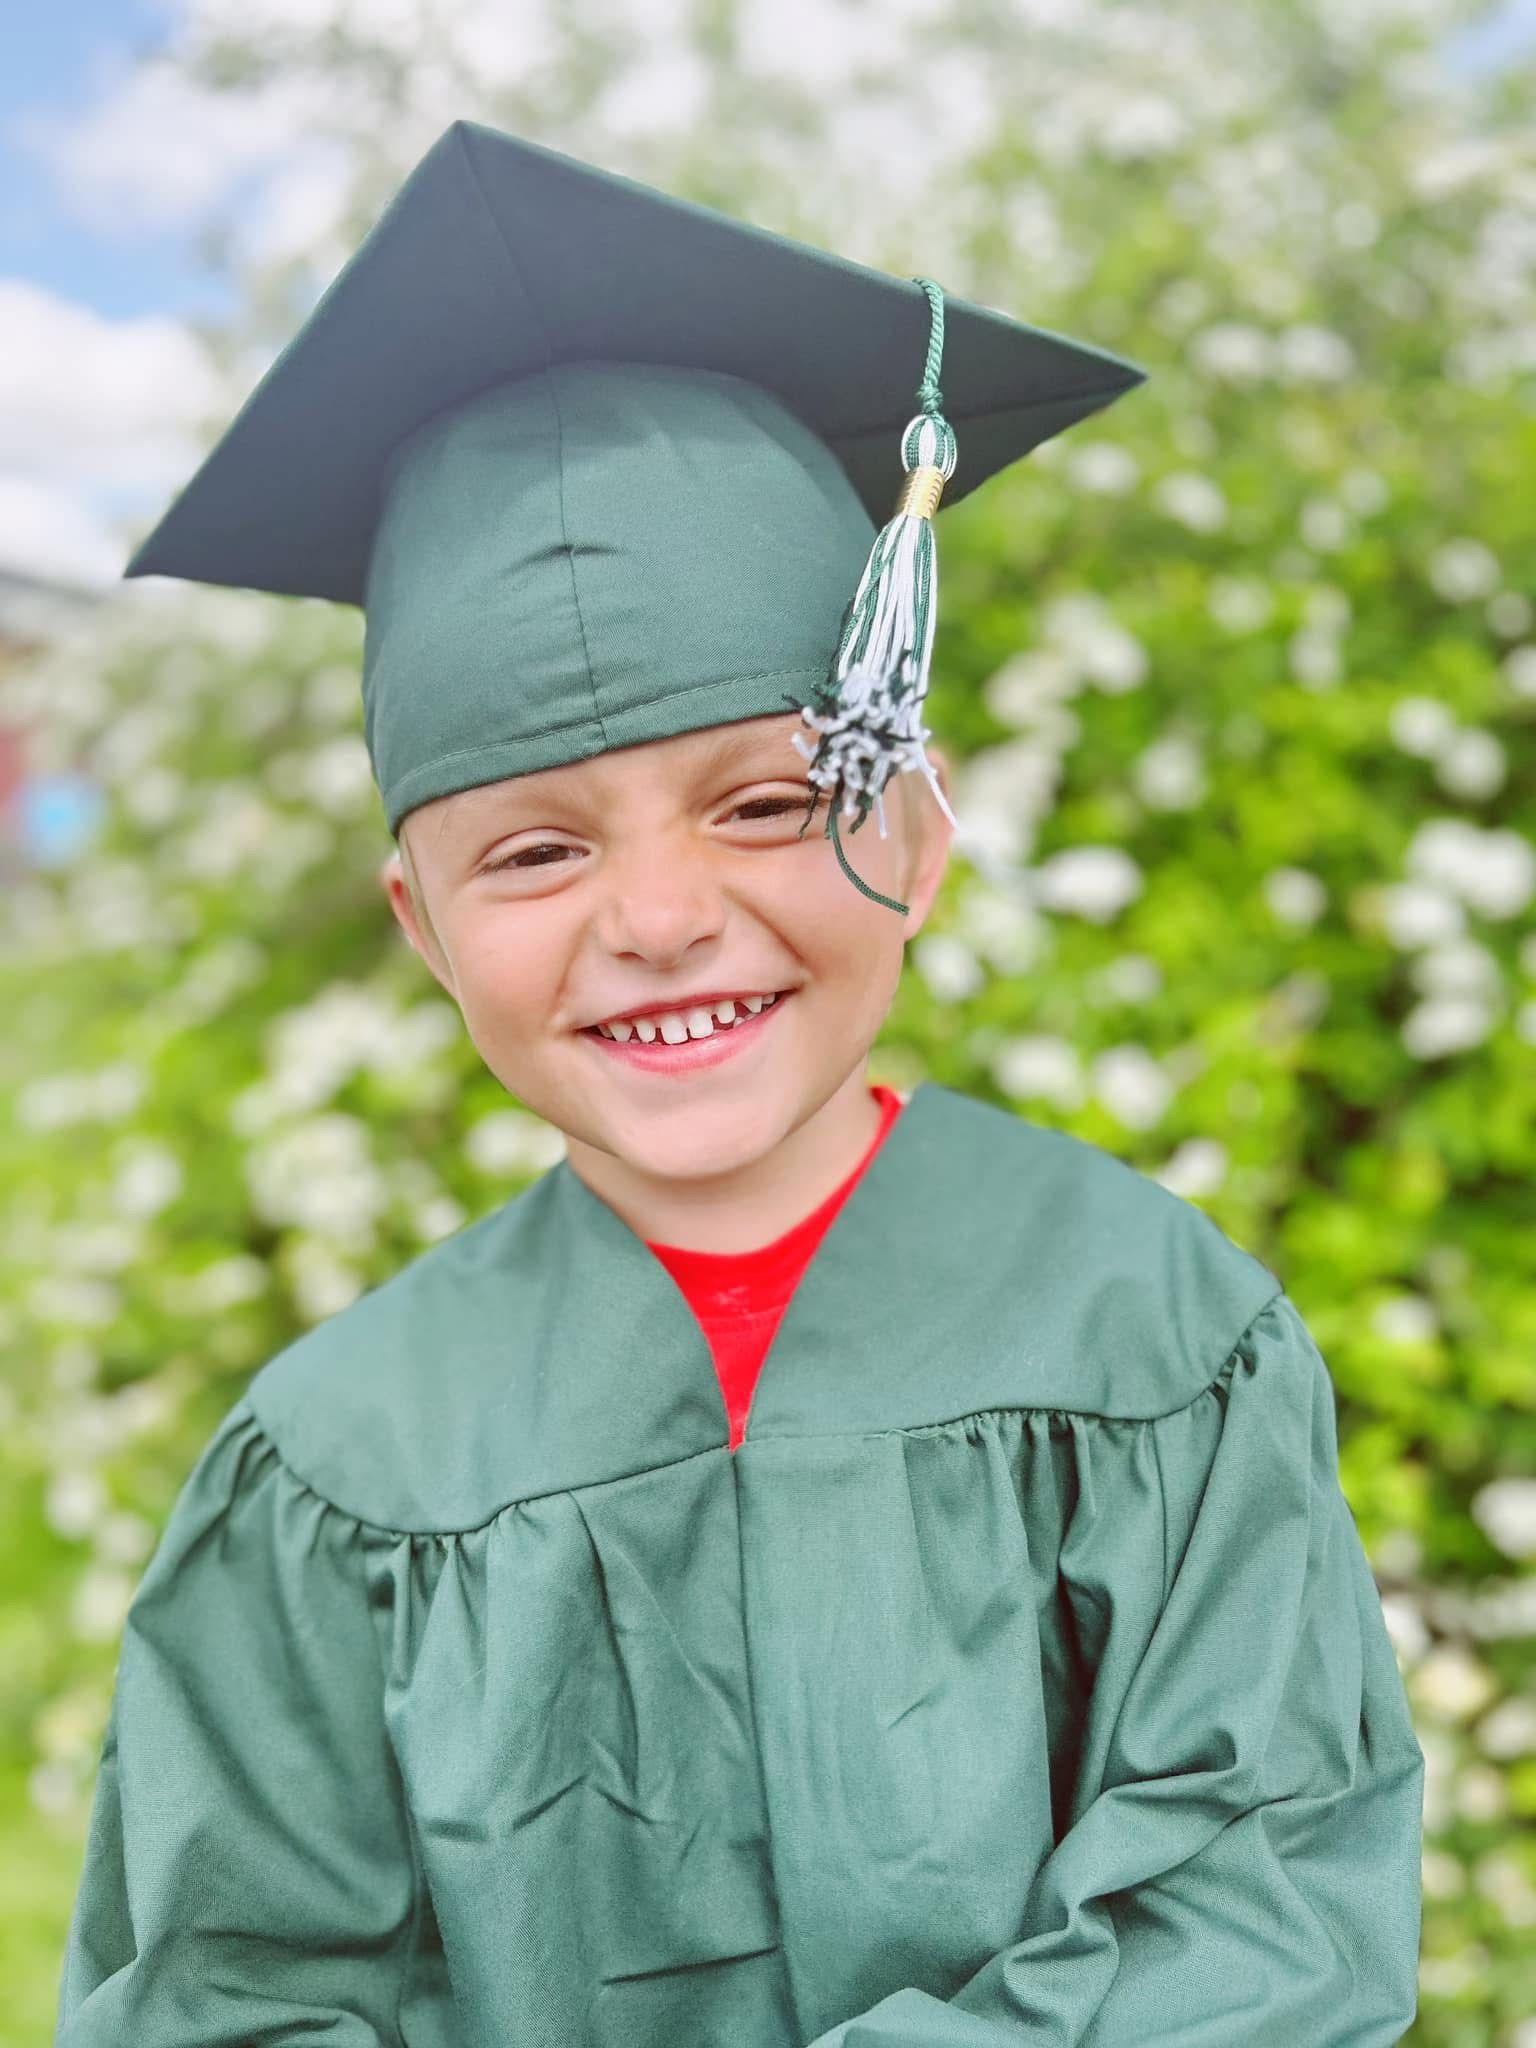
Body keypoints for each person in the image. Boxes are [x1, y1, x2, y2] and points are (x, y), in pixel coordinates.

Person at [54, 117, 1424, 2047]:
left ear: (920, 836)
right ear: (421, 926)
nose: (662, 917)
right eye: (533, 851)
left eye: (770, 804)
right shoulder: (333, 1469)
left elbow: (1257, 1912)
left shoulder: (1157, 1332)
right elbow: (225, 1991)